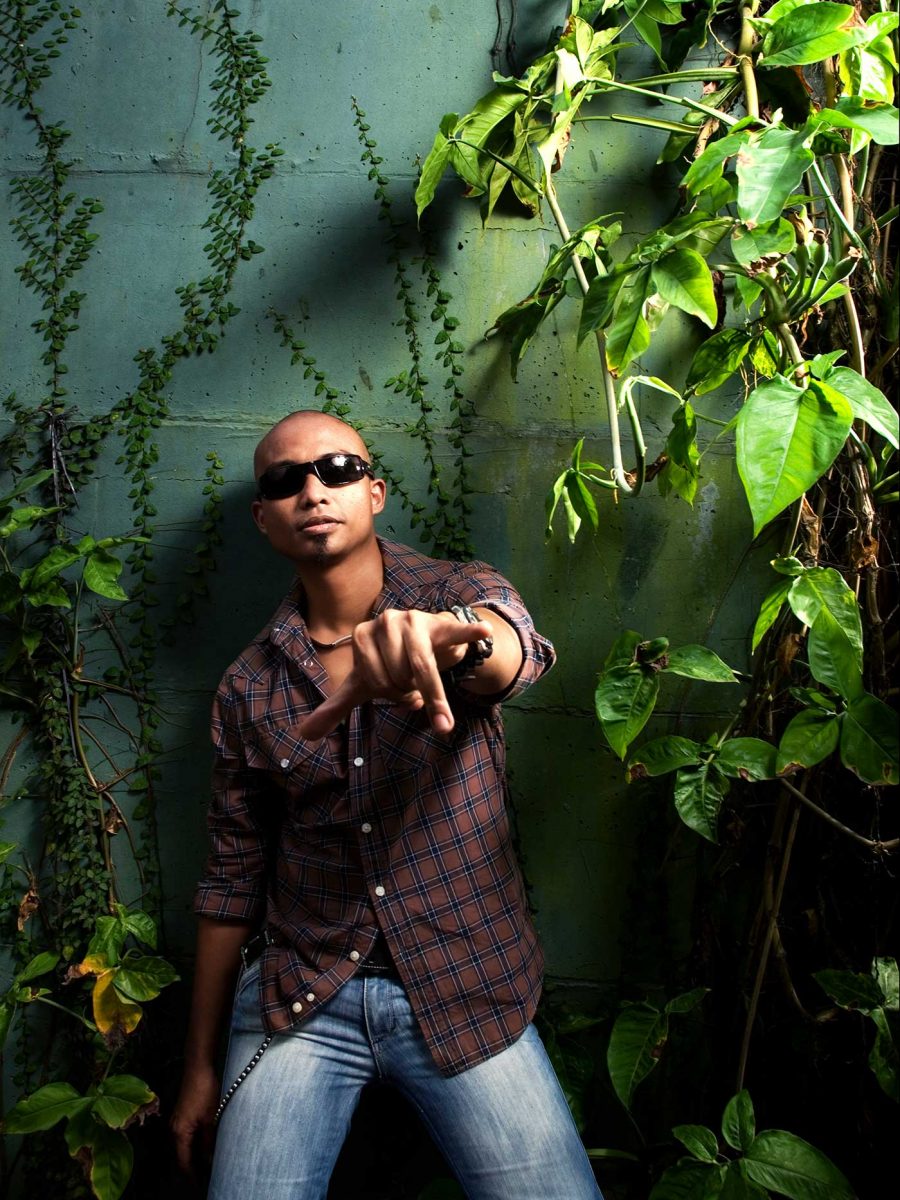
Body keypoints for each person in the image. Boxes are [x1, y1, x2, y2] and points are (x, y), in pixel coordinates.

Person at [170, 410, 602, 1199]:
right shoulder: (248, 686)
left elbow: (512, 651)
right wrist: (198, 1069)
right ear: (264, 517)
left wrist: (457, 641)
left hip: (463, 983)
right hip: (302, 997)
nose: (313, 491)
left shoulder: (454, 593)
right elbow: (231, 882)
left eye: (337, 469)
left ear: (373, 492)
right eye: (286, 481)